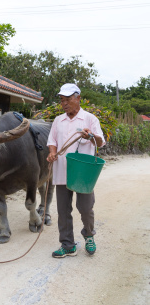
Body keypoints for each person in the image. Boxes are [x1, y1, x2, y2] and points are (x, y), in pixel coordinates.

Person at [46, 83, 105, 258]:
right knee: (63, 210)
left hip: (82, 174)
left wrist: (91, 136)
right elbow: (52, 141)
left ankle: (88, 234)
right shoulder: (58, 120)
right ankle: (67, 244)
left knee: (86, 208)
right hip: (62, 171)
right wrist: (52, 153)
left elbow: (100, 142)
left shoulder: (90, 119)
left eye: (68, 99)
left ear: (78, 98)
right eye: (62, 100)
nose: (64, 103)